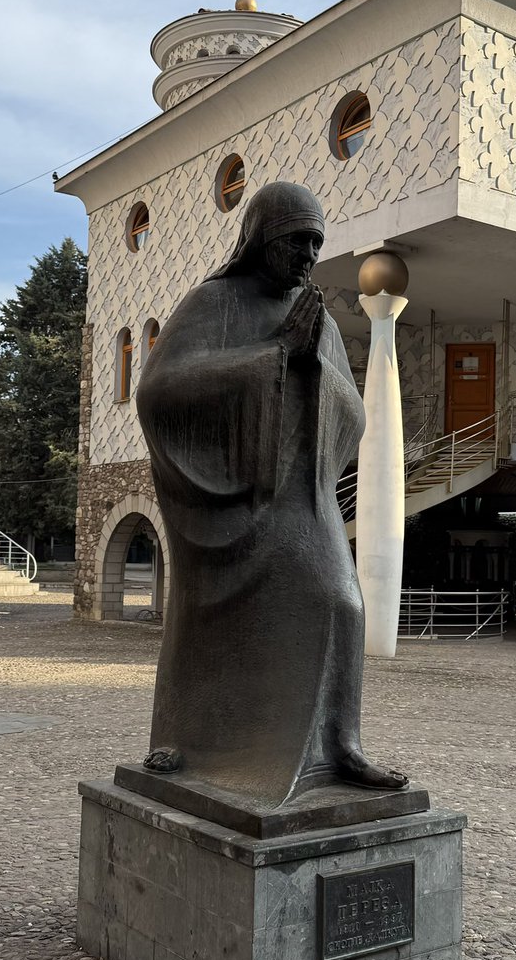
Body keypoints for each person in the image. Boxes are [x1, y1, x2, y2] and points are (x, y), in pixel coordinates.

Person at [136, 181, 407, 807]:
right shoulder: (214, 303)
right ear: (261, 240)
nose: (307, 256)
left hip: (296, 493)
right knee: (212, 620)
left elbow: (353, 416)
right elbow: (160, 390)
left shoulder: (317, 318)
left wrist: (309, 362)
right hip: (227, 495)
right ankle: (187, 740)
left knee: (340, 601)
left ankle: (340, 745)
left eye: (315, 243)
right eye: (295, 242)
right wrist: (271, 358)